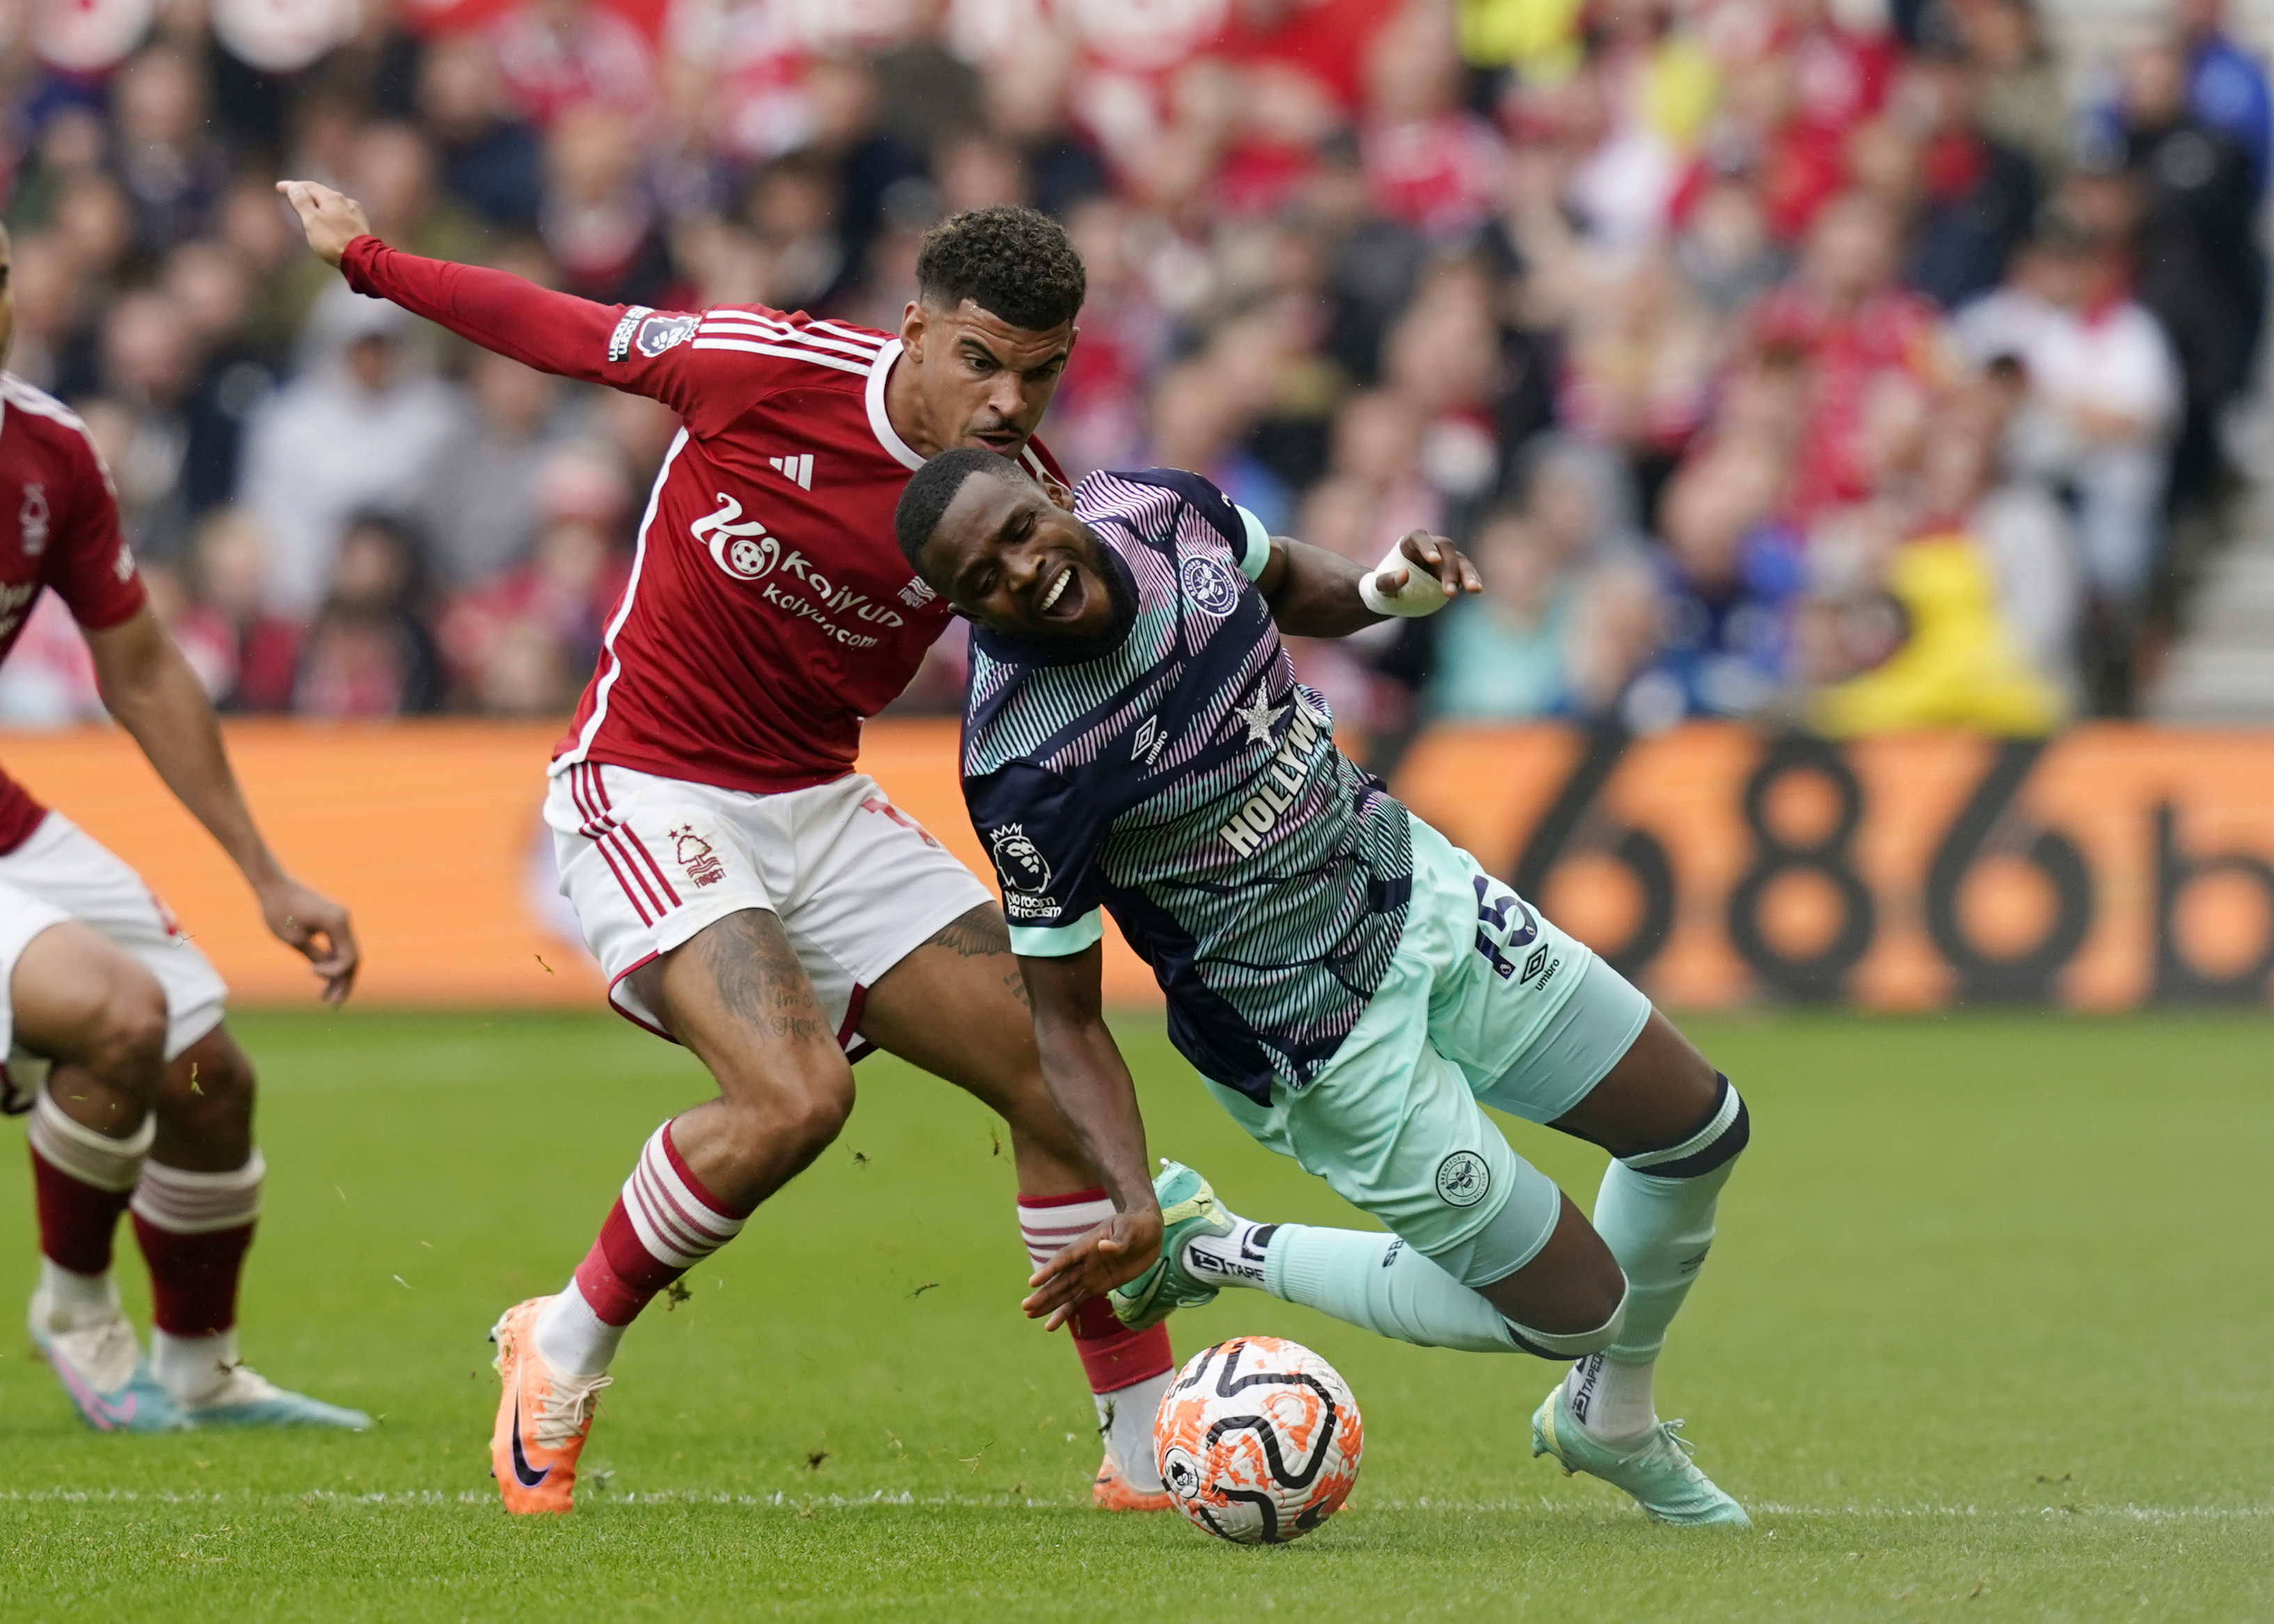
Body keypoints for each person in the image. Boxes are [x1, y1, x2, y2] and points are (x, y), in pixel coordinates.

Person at [276, 181, 1180, 1515]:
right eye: (981, 362)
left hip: (821, 803)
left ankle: (1150, 1446)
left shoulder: (1017, 502)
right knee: (797, 1097)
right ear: (917, 331)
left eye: (1038, 375)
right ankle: (561, 1344)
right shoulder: (768, 369)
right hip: (648, 784)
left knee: (1054, 1074)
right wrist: (366, 258)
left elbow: (1139, 631)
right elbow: (561, 329)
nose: (1006, 402)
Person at [898, 448, 1751, 1527]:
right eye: (982, 580)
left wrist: (1389, 586)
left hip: (1409, 882)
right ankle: (1213, 1240)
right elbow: (1063, 1014)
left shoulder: (1157, 505)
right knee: (1583, 1310)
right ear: (962, 605)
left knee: (1698, 1129)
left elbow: (1287, 577)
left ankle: (1611, 1419)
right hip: (1309, 1033)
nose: (1019, 573)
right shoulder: (1024, 757)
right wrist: (1130, 1198)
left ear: (1057, 495)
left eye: (1019, 531)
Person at [0, 222, 367, 1433]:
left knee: (209, 1074)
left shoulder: (50, 450)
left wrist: (263, 871)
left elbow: (145, 668)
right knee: (115, 1013)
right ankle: (74, 1309)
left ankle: (201, 1371)